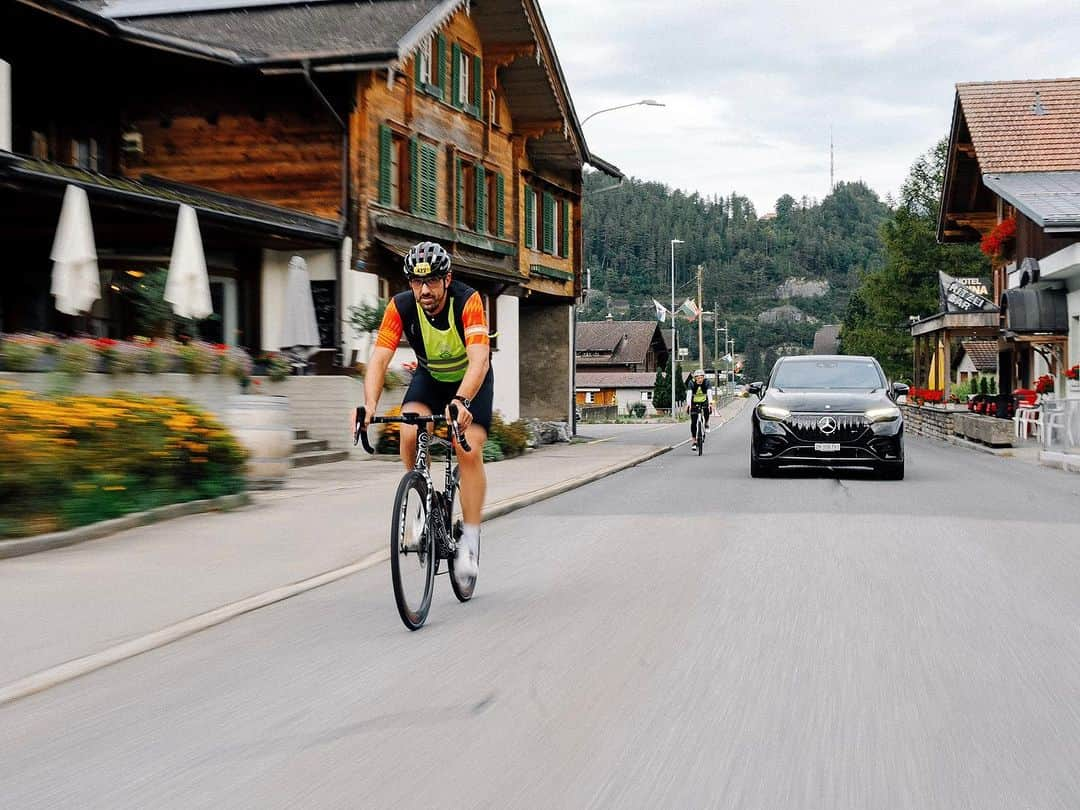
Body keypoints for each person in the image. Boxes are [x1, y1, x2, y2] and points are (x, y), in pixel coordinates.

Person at [362, 241, 492, 583]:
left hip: (469, 381)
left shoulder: (468, 300)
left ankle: (471, 542)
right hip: (431, 377)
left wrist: (463, 399)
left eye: (432, 281)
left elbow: (480, 358)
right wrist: (370, 406)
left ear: (447, 279)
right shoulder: (401, 306)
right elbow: (379, 358)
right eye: (417, 282)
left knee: (468, 449)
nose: (424, 290)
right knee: (409, 430)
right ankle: (421, 495)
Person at [685, 368, 713, 450]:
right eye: (698, 378)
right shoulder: (691, 383)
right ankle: (694, 441)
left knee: (707, 410)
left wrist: (710, 403)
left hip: (704, 400)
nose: (700, 379)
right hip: (694, 402)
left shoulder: (707, 382)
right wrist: (688, 405)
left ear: (704, 377)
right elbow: (689, 395)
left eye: (702, 377)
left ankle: (706, 423)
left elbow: (709, 392)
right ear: (695, 378)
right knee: (693, 422)